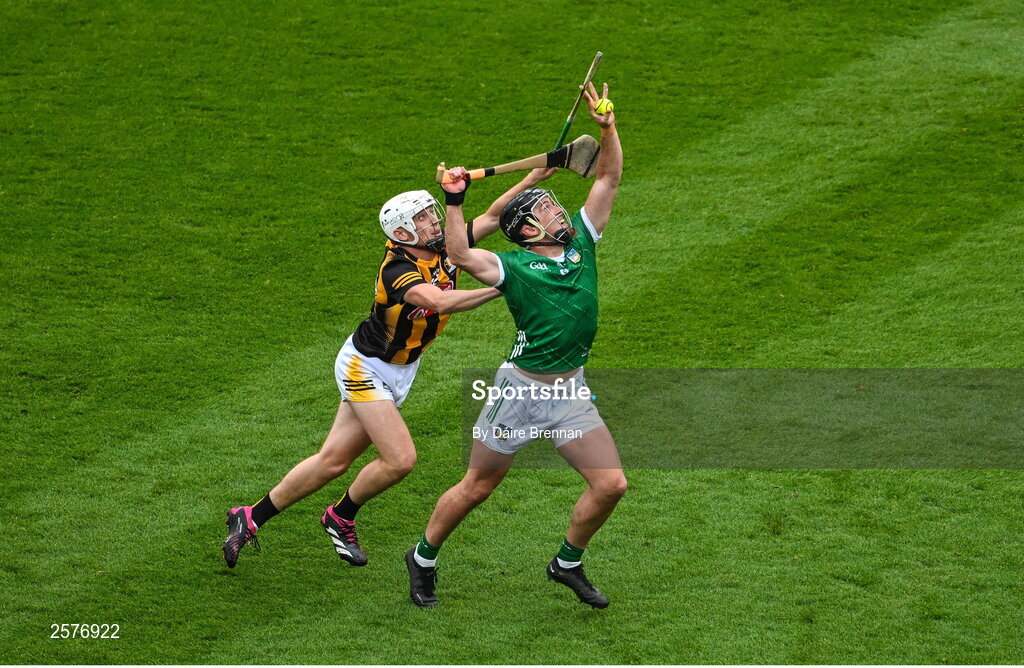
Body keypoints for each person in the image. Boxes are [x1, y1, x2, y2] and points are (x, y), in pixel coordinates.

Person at [406, 82, 626, 608]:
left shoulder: (582, 240)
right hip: (520, 394)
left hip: (570, 391)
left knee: (611, 485)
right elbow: (457, 254)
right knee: (478, 487)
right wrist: (454, 200)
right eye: (548, 209)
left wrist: (608, 128)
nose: (559, 212)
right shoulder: (514, 266)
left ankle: (565, 562)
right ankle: (423, 556)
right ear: (527, 231)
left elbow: (609, 175)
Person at [222, 187, 514, 568]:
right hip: (365, 367)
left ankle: (250, 517)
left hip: (400, 369)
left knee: (332, 461)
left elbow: (493, 217)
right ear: (403, 233)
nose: (434, 221)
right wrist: (505, 285)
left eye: (431, 213)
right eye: (423, 218)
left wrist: (539, 172)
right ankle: (341, 515)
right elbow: (440, 302)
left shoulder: (443, 247)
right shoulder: (397, 271)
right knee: (400, 459)